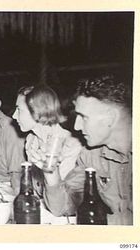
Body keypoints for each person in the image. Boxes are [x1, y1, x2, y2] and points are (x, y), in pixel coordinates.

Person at [30, 76, 132, 225]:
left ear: (110, 118)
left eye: (83, 117)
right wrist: (51, 174)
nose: (76, 126)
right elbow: (63, 208)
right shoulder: (90, 155)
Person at [12, 85, 82, 181]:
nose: (14, 116)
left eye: (19, 110)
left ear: (37, 110)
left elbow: (63, 191)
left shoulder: (70, 145)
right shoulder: (31, 140)